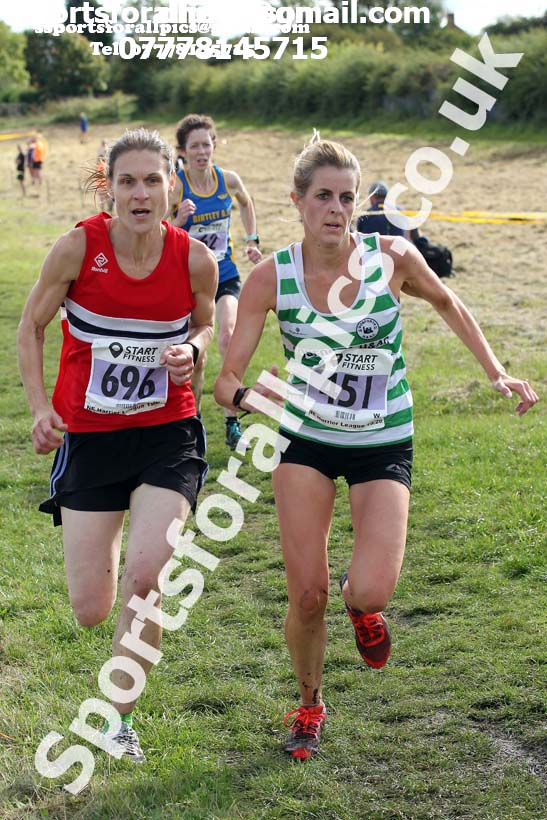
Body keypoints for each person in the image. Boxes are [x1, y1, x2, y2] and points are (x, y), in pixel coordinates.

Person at [214, 135, 538, 761]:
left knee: (370, 590)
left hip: (382, 436)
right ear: (297, 202)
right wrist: (255, 398)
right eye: (323, 197)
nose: (336, 209)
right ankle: (309, 704)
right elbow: (226, 383)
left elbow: (449, 301)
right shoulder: (270, 278)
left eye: (347, 197)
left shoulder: (391, 257)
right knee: (306, 595)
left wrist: (495, 371)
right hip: (305, 438)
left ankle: (362, 610)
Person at [17, 128, 218, 763]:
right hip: (92, 439)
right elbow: (31, 326)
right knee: (90, 608)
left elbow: (207, 321)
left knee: (147, 578)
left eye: (152, 180)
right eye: (126, 181)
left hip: (167, 434)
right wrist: (40, 408)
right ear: (108, 187)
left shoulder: (194, 260)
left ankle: (116, 719)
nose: (140, 192)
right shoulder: (78, 248)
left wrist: (195, 350)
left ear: (171, 185)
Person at [170, 114, 262, 449]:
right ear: (183, 150)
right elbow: (160, 233)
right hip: (188, 282)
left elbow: (247, 202)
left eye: (206, 144)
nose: (201, 151)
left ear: (214, 146)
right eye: (194, 146)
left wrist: (252, 239)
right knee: (197, 358)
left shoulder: (228, 179)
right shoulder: (177, 185)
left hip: (224, 275)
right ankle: (191, 424)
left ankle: (231, 419)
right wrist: (179, 219)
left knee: (228, 336)